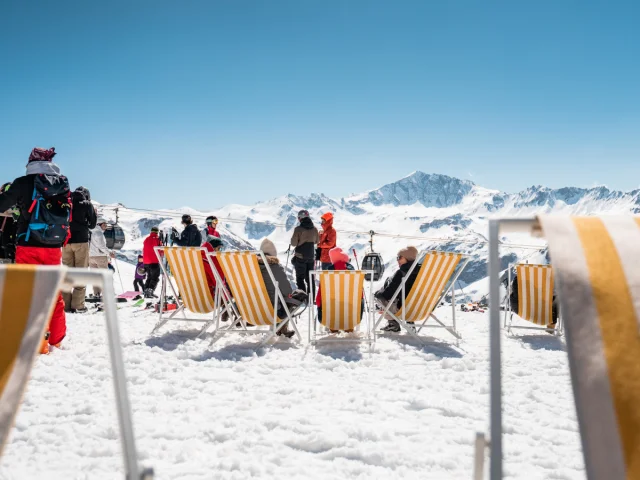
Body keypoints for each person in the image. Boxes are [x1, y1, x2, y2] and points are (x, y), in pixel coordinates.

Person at [0, 147, 70, 353]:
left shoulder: (24, 183)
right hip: (54, 246)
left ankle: (38, 343)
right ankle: (56, 339)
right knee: (53, 292)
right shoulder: (61, 183)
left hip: (28, 244)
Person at [62, 186, 97, 313]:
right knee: (80, 272)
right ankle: (78, 305)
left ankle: (65, 304)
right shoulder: (87, 204)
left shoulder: (67, 203)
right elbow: (92, 225)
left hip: (66, 242)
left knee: (67, 273)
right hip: (81, 241)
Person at [375, 246, 421, 333]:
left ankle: (393, 324)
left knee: (382, 297)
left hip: (404, 309)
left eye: (399, 257)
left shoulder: (401, 272)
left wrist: (378, 294)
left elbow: (387, 295)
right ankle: (410, 323)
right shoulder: (423, 272)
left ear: (407, 258)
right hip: (421, 308)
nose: (397, 260)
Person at [315, 247, 361, 333]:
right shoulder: (353, 272)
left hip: (330, 316)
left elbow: (319, 296)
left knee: (331, 305)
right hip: (352, 316)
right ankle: (349, 327)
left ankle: (333, 326)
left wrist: (318, 304)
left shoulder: (328, 273)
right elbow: (360, 295)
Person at [258, 238, 295, 338]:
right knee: (290, 300)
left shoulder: (251, 266)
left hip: (250, 310)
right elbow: (287, 291)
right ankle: (281, 328)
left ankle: (281, 328)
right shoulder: (275, 267)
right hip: (271, 312)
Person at [290, 209, 319, 293]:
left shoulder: (298, 229)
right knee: (310, 279)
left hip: (300, 257)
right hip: (310, 256)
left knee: (300, 278)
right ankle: (311, 298)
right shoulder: (314, 229)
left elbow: (293, 243)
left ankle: (303, 299)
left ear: (300, 218)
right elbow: (317, 241)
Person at [89, 217, 114, 297]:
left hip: (91, 257)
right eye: (104, 224)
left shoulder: (90, 232)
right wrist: (109, 253)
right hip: (100, 256)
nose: (106, 226)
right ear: (99, 225)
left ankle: (96, 293)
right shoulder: (99, 233)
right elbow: (102, 246)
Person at [143, 226, 162, 298]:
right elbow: (160, 249)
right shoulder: (157, 239)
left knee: (149, 277)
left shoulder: (146, 239)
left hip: (146, 262)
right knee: (155, 277)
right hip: (154, 261)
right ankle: (150, 291)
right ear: (157, 232)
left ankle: (146, 291)